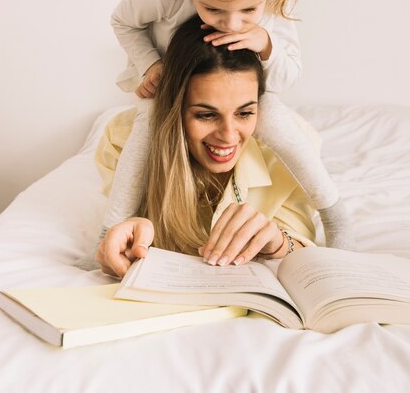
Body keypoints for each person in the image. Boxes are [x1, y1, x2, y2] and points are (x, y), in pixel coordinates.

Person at [104, 0, 352, 251]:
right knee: (145, 131)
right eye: (213, 9)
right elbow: (123, 21)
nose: (232, 24)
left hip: (245, 88)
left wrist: (265, 42)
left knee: (283, 129)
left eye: (248, 11)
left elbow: (286, 77)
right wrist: (151, 65)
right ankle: (108, 232)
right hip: (172, 83)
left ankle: (335, 215)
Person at [96, 15, 318, 277]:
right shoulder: (121, 140)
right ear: (174, 110)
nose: (227, 136)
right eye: (206, 115)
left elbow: (305, 244)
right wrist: (126, 233)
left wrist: (279, 243)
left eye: (244, 113)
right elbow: (117, 227)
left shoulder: (292, 150)